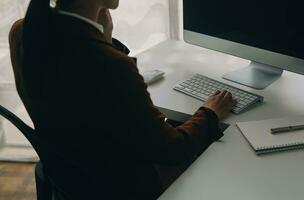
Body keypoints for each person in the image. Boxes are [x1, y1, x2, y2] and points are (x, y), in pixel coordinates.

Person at [9, 0, 235, 199]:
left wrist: (103, 39)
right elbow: (173, 150)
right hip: (130, 187)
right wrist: (209, 112)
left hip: (79, 179)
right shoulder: (110, 65)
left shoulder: (24, 33)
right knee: (229, 151)